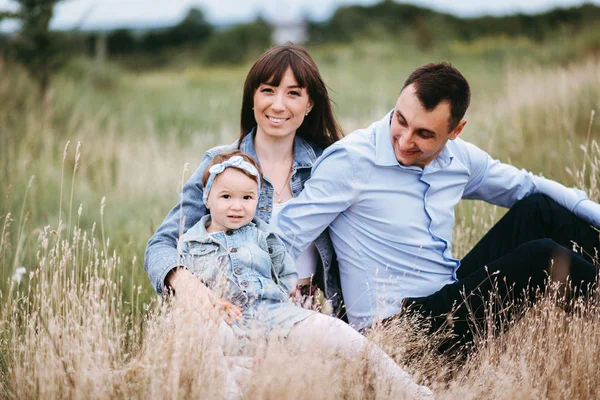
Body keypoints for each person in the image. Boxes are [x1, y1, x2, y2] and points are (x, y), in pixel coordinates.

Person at [273, 62, 600, 352]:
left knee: (538, 209)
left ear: (455, 131)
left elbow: (527, 185)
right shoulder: (350, 161)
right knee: (541, 258)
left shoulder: (460, 160)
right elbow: (285, 233)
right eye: (400, 120)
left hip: (448, 300)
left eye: (424, 134)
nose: (404, 140)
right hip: (396, 331)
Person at [176, 150, 433, 398]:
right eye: (226, 197)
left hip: (276, 315)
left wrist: (280, 295)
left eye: (247, 198)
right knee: (213, 343)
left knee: (338, 332)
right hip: (228, 322)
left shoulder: (263, 235)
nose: (237, 206)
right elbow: (188, 289)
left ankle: (411, 391)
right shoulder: (191, 243)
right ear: (207, 198)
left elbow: (285, 271)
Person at [144, 44, 344, 316]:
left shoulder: (327, 165)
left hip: (305, 308)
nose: (278, 105)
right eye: (268, 91)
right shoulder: (220, 163)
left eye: (293, 93)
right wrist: (185, 283)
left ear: (309, 104)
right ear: (252, 97)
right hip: (230, 310)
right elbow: (160, 244)